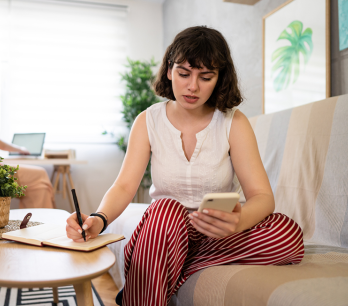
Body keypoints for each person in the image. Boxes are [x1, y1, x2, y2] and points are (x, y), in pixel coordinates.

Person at [65, 26, 304, 306]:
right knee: (166, 209)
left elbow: (262, 197)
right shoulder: (148, 121)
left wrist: (238, 221)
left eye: (206, 77)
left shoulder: (233, 122)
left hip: (217, 234)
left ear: (219, 79)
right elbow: (124, 185)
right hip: (164, 230)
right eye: (184, 74)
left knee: (288, 234)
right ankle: (161, 265)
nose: (193, 87)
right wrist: (99, 218)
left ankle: (173, 268)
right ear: (169, 71)